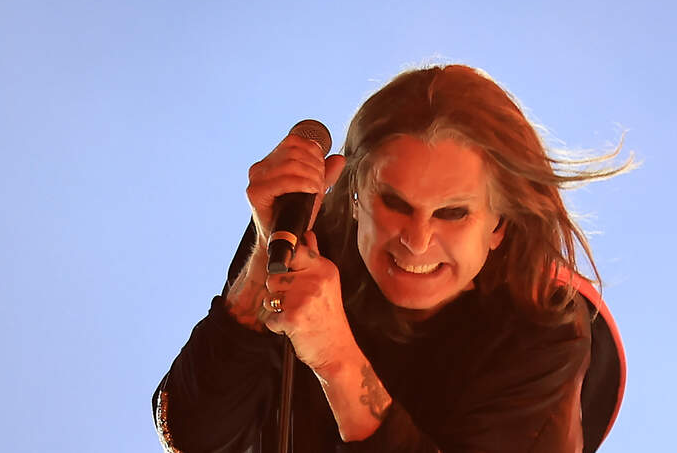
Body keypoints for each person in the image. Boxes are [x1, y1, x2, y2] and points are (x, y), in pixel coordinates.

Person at [153, 64, 633, 452]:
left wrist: (336, 358)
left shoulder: (545, 331)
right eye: (395, 204)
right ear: (355, 195)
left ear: (498, 225)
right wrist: (264, 260)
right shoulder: (304, 234)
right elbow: (192, 436)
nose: (417, 241)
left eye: (452, 213)